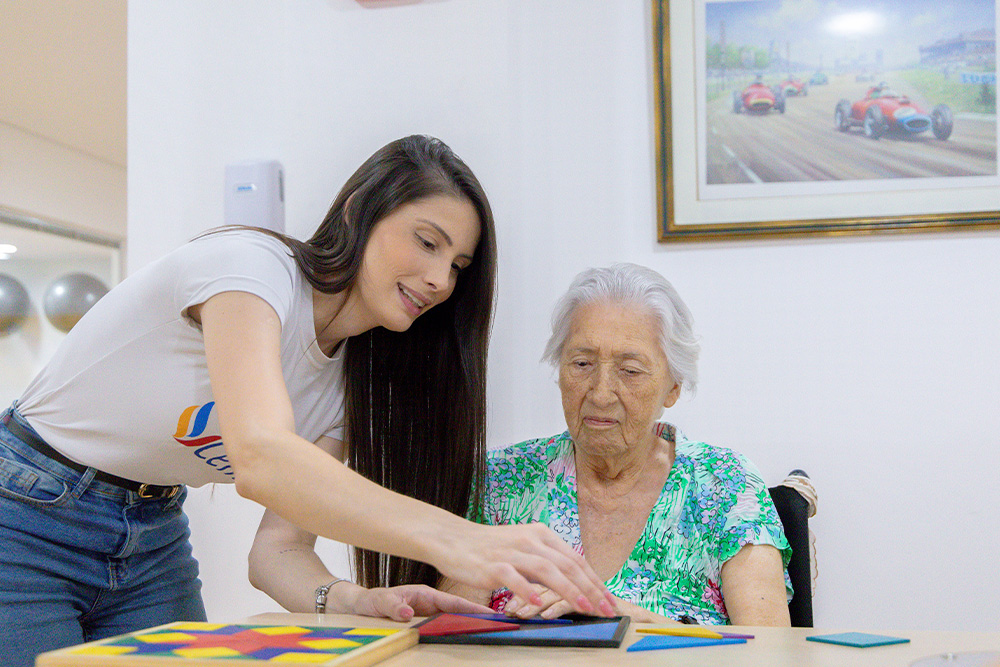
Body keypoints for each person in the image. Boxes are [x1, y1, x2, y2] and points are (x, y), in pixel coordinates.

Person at [0, 135, 613, 667]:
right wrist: (463, 540)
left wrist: (351, 598)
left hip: (152, 531)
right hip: (26, 512)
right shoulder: (250, 269)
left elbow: (277, 553)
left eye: (457, 265)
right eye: (427, 242)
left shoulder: (355, 379)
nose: (440, 280)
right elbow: (261, 458)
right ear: (357, 211)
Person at [445, 263, 792, 626]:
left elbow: (768, 652)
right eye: (581, 363)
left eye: (630, 370)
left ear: (673, 386)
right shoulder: (501, 482)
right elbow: (450, 642)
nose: (600, 393)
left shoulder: (726, 486)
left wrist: (623, 617)